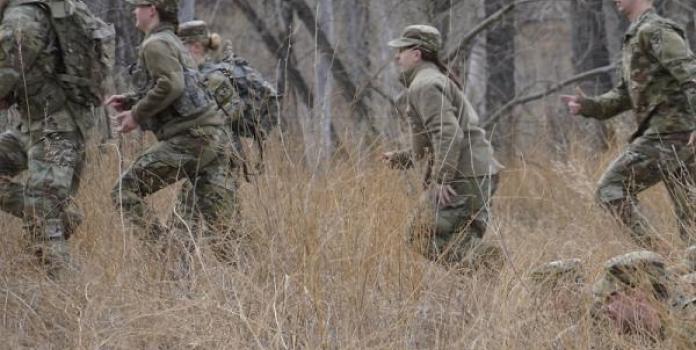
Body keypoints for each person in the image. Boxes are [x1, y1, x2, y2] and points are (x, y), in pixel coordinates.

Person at [106, 0, 235, 264]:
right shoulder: (173, 41)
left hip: (193, 138)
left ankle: (168, 254)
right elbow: (181, 85)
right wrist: (132, 100)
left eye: (138, 6)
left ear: (152, 9)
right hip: (213, 137)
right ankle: (254, 281)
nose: (134, 11)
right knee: (221, 228)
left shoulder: (155, 44)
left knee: (124, 191)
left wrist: (136, 115)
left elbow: (172, 84)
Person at [561, 0, 696, 249]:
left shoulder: (656, 30)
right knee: (691, 216)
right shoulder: (636, 35)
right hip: (671, 136)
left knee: (610, 188)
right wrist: (589, 106)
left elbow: (691, 75)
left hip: (669, 135)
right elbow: (625, 95)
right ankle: (684, 274)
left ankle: (659, 257)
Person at [383, 25, 503, 271]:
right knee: (456, 237)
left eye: (402, 50)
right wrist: (403, 158)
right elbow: (431, 139)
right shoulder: (430, 80)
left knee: (420, 234)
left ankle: (490, 266)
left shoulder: (425, 84)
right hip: (474, 171)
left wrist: (442, 178)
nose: (397, 56)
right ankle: (485, 289)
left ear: (416, 54)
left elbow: (448, 133)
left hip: (464, 174)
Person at [0, 0, 94, 274]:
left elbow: (6, 75)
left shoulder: (21, 17)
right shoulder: (30, 12)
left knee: (42, 222)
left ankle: (72, 298)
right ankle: (58, 216)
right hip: (32, 126)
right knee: (42, 212)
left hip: (58, 131)